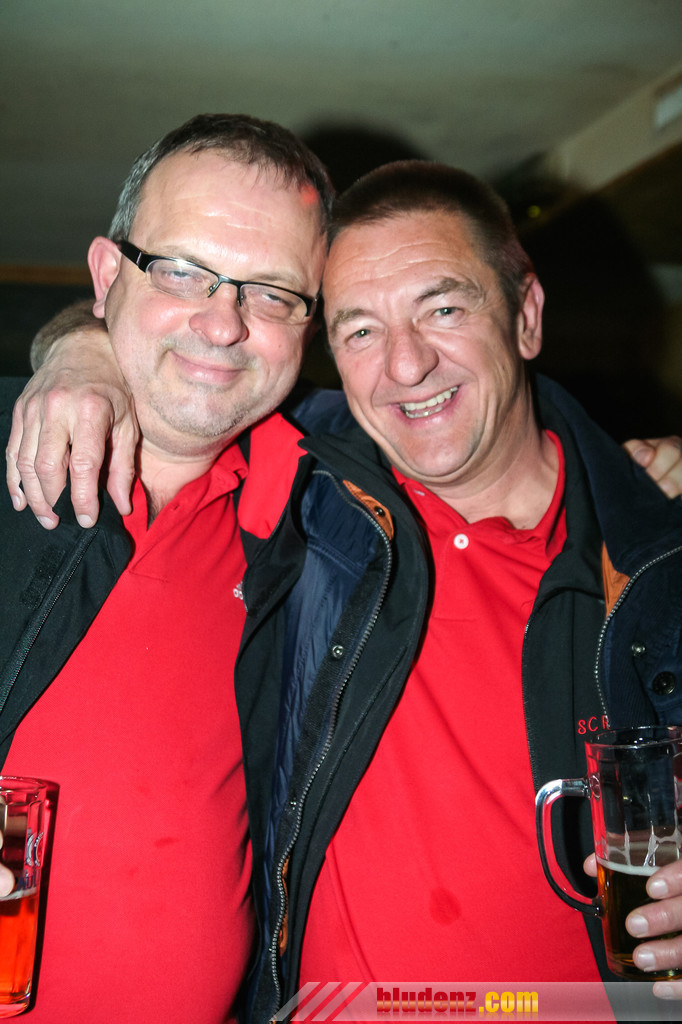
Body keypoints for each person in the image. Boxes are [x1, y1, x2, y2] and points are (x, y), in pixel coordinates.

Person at [7, 160, 682, 1021]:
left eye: (443, 309)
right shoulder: (312, 486)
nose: (406, 364)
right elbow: (187, 355)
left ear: (526, 315)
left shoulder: (650, 564)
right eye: (360, 330)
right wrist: (82, 349)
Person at [0, 111, 333, 1023]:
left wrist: (632, 479)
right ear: (108, 277)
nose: (222, 324)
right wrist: (74, 344)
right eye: (182, 270)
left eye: (272, 293)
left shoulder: (327, 519)